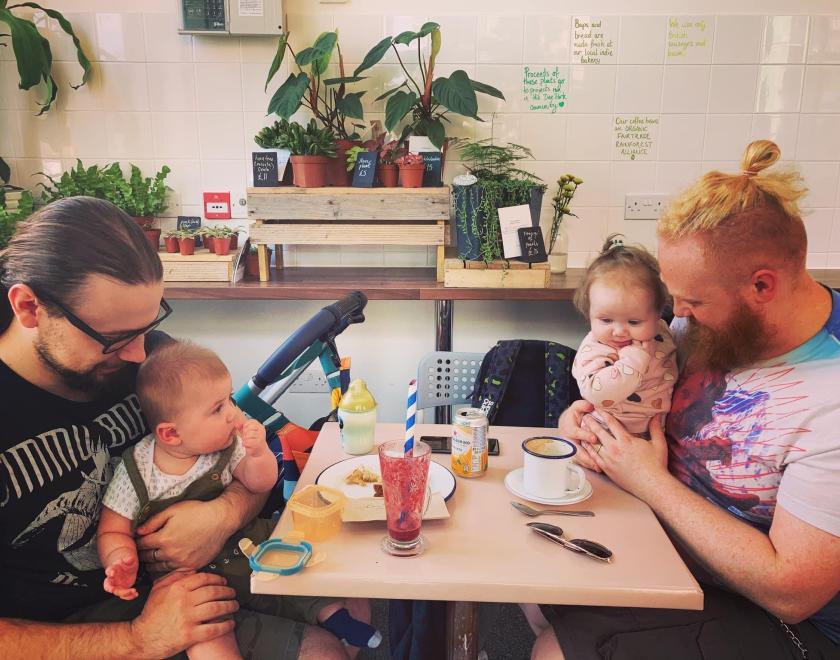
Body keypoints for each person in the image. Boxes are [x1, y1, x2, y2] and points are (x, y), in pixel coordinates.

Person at [0, 196, 367, 659]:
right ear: (30, 308)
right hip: (77, 634)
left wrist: (222, 515)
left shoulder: (158, 363)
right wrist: (137, 639)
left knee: (354, 595)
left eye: (149, 325)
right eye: (115, 341)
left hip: (201, 576)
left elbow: (237, 448)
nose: (139, 355)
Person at [530, 140, 840, 660]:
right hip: (661, 535)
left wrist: (647, 480)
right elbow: (640, 402)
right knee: (532, 577)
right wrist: (583, 419)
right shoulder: (699, 328)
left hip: (776, 618)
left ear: (762, 285)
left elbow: (792, 592)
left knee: (554, 651)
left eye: (693, 302)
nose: (679, 317)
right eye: (675, 300)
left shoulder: (828, 393)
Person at [98, 339, 381, 658]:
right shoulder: (136, 469)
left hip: (249, 550)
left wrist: (258, 452)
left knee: (297, 576)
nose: (234, 413)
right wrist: (119, 560)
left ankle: (335, 617)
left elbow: (261, 482)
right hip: (194, 585)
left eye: (229, 399)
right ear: (171, 434)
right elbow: (113, 529)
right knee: (208, 637)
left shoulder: (228, 445)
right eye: (218, 408)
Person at [571, 234, 677, 437]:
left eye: (634, 322)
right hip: (605, 435)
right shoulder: (595, 347)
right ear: (589, 313)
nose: (619, 331)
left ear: (657, 314)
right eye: (606, 320)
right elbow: (596, 392)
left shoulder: (661, 333)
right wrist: (633, 362)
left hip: (655, 435)